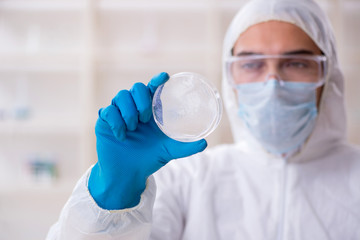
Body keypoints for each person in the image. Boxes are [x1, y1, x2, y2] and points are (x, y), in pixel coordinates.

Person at [47, 0, 360, 239]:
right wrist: (115, 195)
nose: (272, 82)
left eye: (297, 63)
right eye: (251, 64)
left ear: (328, 75)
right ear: (230, 77)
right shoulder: (187, 179)